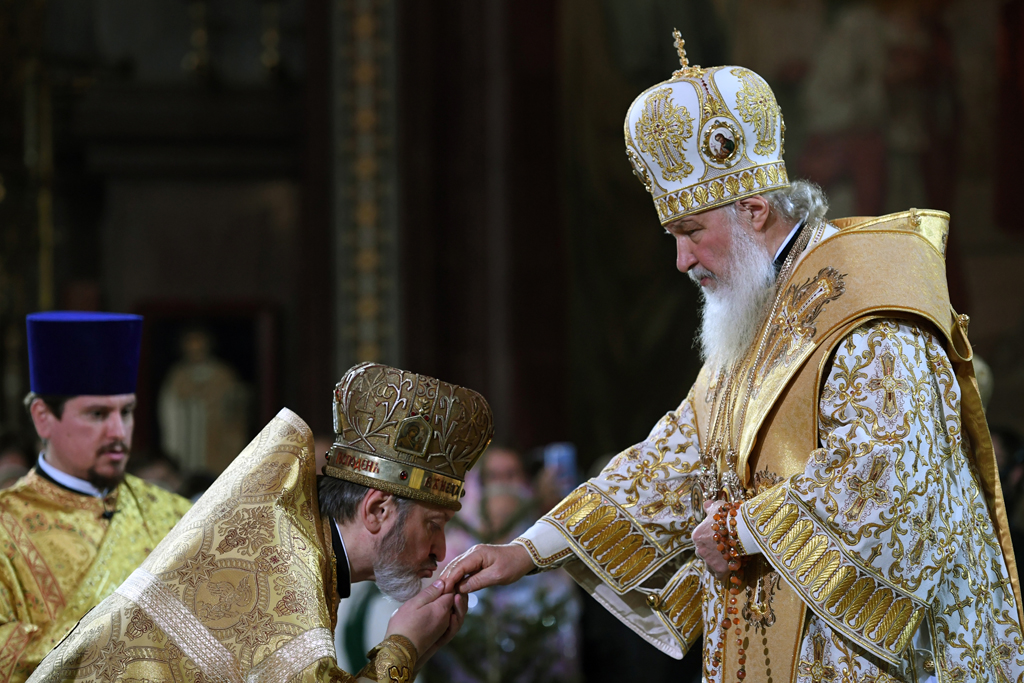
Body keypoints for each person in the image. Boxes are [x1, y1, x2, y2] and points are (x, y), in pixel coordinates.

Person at [443, 31, 1024, 683]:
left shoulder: (871, 304)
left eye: (691, 233)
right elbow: (678, 456)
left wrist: (737, 530)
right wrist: (528, 549)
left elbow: (889, 483)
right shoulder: (758, 310)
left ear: (753, 209)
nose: (682, 261)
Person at [28, 362, 494, 682]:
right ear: (376, 511)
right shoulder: (283, 574)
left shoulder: (296, 547)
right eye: (433, 525)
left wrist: (416, 649)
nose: (439, 550)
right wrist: (402, 647)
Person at [0, 312, 192, 682]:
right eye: (97, 413)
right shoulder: (5, 525)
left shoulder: (178, 517)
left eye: (127, 411)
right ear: (42, 417)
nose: (118, 432)